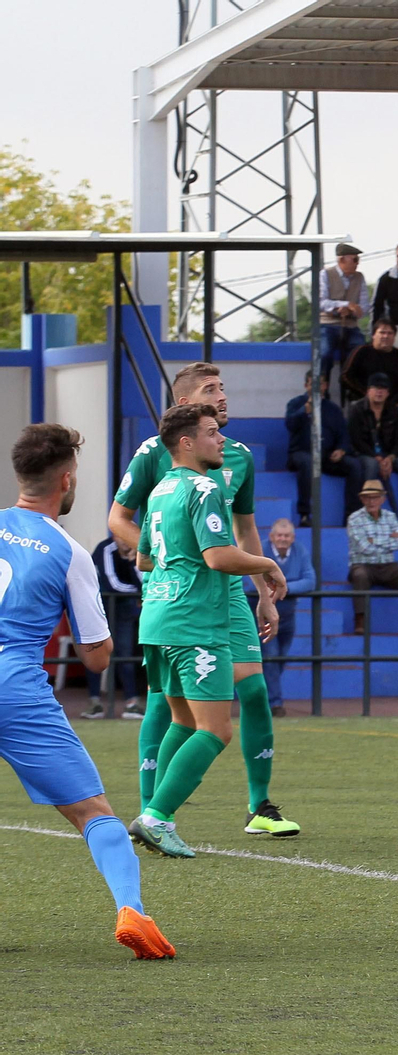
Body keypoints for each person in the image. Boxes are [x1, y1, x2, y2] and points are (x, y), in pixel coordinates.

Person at [2, 423, 176, 958]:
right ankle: (132, 911)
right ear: (68, 479)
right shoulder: (70, 552)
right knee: (93, 812)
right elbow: (96, 657)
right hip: (16, 687)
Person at [107, 362, 296, 839]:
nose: (223, 395)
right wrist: (164, 560)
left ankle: (260, 807)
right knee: (170, 708)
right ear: (185, 407)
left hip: (228, 582)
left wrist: (263, 593)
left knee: (252, 691)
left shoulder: (239, 457)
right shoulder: (157, 452)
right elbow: (119, 519)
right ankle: (156, 809)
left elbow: (245, 529)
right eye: (212, 390)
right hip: (182, 590)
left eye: (224, 387)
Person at [253, 518, 315, 717]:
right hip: (265, 613)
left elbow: (310, 581)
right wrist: (281, 588)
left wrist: (282, 587)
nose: (283, 539)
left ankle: (266, 696)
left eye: (287, 535)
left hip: (288, 614)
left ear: (293, 538)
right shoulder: (260, 548)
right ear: (271, 536)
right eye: (279, 535)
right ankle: (274, 704)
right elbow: (249, 580)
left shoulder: (300, 550)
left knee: (281, 657)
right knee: (271, 657)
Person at [285, 371, 360, 525]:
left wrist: (341, 449)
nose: (317, 388)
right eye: (313, 384)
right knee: (307, 462)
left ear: (325, 386)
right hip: (301, 453)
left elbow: (344, 434)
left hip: (326, 456)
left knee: (355, 466)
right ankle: (305, 514)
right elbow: (290, 425)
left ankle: (350, 516)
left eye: (321, 384)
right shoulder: (295, 403)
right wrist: (304, 411)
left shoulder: (333, 409)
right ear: (306, 385)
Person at [345, 372, 398, 523]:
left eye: (383, 389)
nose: (379, 392)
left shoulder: (393, 411)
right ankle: (367, 512)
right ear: (367, 391)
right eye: (375, 388)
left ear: (388, 393)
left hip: (388, 455)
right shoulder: (356, 409)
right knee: (371, 466)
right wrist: (376, 457)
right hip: (364, 453)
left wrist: (390, 458)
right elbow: (356, 440)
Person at [84, 533, 142, 720]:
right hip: (99, 608)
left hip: (123, 609)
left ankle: (131, 704)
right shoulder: (105, 548)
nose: (127, 541)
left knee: (125, 653)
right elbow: (111, 584)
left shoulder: (138, 550)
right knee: (95, 652)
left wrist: (132, 560)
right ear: (116, 535)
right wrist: (139, 591)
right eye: (123, 536)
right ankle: (95, 704)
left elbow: (145, 581)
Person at [346, 479, 398, 637]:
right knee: (360, 575)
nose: (371, 501)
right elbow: (364, 548)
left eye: (375, 497)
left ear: (383, 499)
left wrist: (374, 540)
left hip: (388, 565)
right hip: (363, 564)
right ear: (362, 499)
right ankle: (360, 619)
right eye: (368, 497)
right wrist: (388, 538)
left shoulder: (390, 516)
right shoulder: (354, 518)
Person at [341, 318, 398, 420]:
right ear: (373, 335)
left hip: (393, 403)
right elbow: (345, 376)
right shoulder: (361, 352)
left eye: (390, 333)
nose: (385, 336)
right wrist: (367, 395)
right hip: (363, 400)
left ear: (394, 337)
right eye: (382, 332)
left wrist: (391, 403)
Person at [318, 242, 369, 382]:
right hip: (327, 324)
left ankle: (352, 389)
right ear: (342, 260)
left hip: (351, 325)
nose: (357, 263)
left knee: (360, 352)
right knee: (325, 354)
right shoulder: (325, 274)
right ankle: (322, 388)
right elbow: (321, 302)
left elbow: (364, 307)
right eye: (355, 259)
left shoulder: (360, 278)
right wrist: (346, 305)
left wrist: (351, 311)